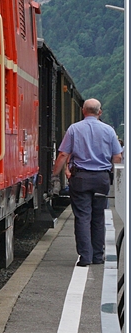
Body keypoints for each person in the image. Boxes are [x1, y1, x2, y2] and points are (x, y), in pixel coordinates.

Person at [52, 98, 124, 266]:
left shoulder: (74, 129)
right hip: (101, 178)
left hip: (81, 178)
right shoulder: (109, 130)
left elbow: (63, 155)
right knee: (98, 217)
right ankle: (98, 256)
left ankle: (85, 257)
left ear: (83, 111)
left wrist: (54, 175)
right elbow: (118, 156)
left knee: (83, 216)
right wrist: (113, 175)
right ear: (100, 112)